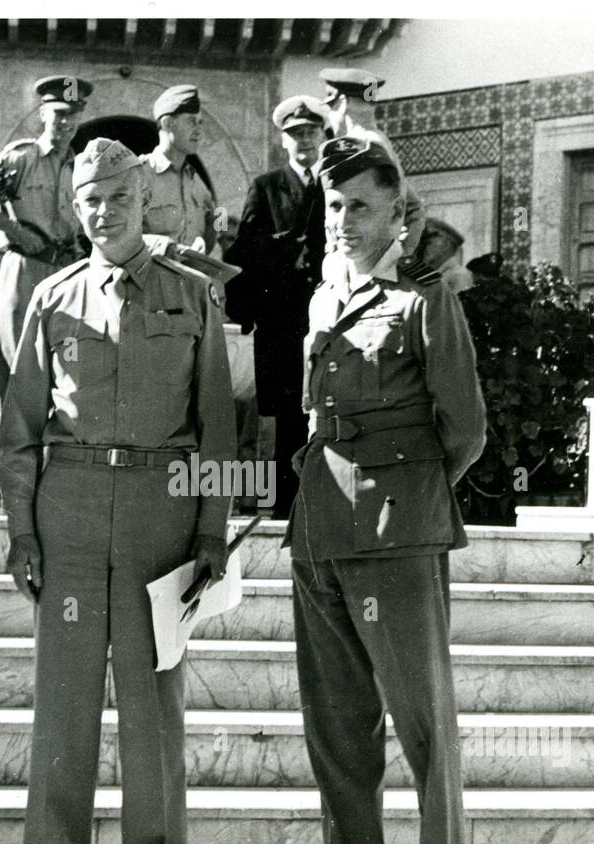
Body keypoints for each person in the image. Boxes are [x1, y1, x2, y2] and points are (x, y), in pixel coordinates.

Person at [0, 138, 236, 844]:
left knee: (152, 699)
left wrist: (210, 535)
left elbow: (217, 427)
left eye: (120, 199)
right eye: (91, 200)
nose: (105, 213)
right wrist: (22, 532)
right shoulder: (53, 296)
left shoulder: (191, 295)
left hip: (160, 511)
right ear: (76, 208)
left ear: (145, 203)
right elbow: (22, 427)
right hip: (68, 508)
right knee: (63, 696)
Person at [273, 136, 487, 844]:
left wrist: (407, 503)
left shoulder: (428, 298)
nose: (343, 221)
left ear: (398, 211)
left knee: (421, 722)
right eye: (333, 205)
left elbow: (463, 429)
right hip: (321, 530)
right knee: (335, 721)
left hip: (395, 537)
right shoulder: (325, 299)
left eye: (359, 205)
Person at [224, 95, 330, 519]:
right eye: (295, 135)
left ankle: (321, 504)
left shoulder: (335, 184)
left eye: (310, 132)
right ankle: (283, 507)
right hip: (283, 319)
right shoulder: (266, 187)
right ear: (283, 141)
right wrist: (284, 248)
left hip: (328, 314)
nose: (304, 141)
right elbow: (245, 249)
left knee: (326, 407)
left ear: (323, 135)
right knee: (284, 414)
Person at [0, 75, 91, 426]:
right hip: (25, 274)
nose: (66, 122)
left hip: (67, 277)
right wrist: (15, 231)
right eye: (59, 114)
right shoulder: (21, 157)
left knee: (66, 375)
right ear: (42, 113)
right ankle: (13, 472)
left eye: (73, 114)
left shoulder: (78, 166)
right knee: (19, 370)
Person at [319, 67, 425, 260]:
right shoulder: (378, 140)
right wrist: (400, 253)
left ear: (341, 103)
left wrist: (392, 258)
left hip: (363, 261)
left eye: (330, 106)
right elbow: (414, 207)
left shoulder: (362, 145)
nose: (329, 116)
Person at [139, 85, 218, 255]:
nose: (198, 130)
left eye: (200, 122)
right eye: (191, 121)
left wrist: (205, 243)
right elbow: (121, 237)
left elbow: (217, 224)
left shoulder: (197, 182)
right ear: (167, 123)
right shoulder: (139, 175)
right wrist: (166, 247)